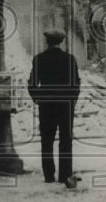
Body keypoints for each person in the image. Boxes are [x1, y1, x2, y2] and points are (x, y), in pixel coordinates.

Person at [28, 30, 81, 184]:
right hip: (65, 106)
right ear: (61, 42)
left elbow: (32, 84)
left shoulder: (39, 59)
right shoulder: (69, 59)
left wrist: (38, 99)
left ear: (47, 42)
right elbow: (76, 83)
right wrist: (72, 100)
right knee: (66, 140)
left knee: (46, 140)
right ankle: (65, 175)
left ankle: (49, 175)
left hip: (46, 106)